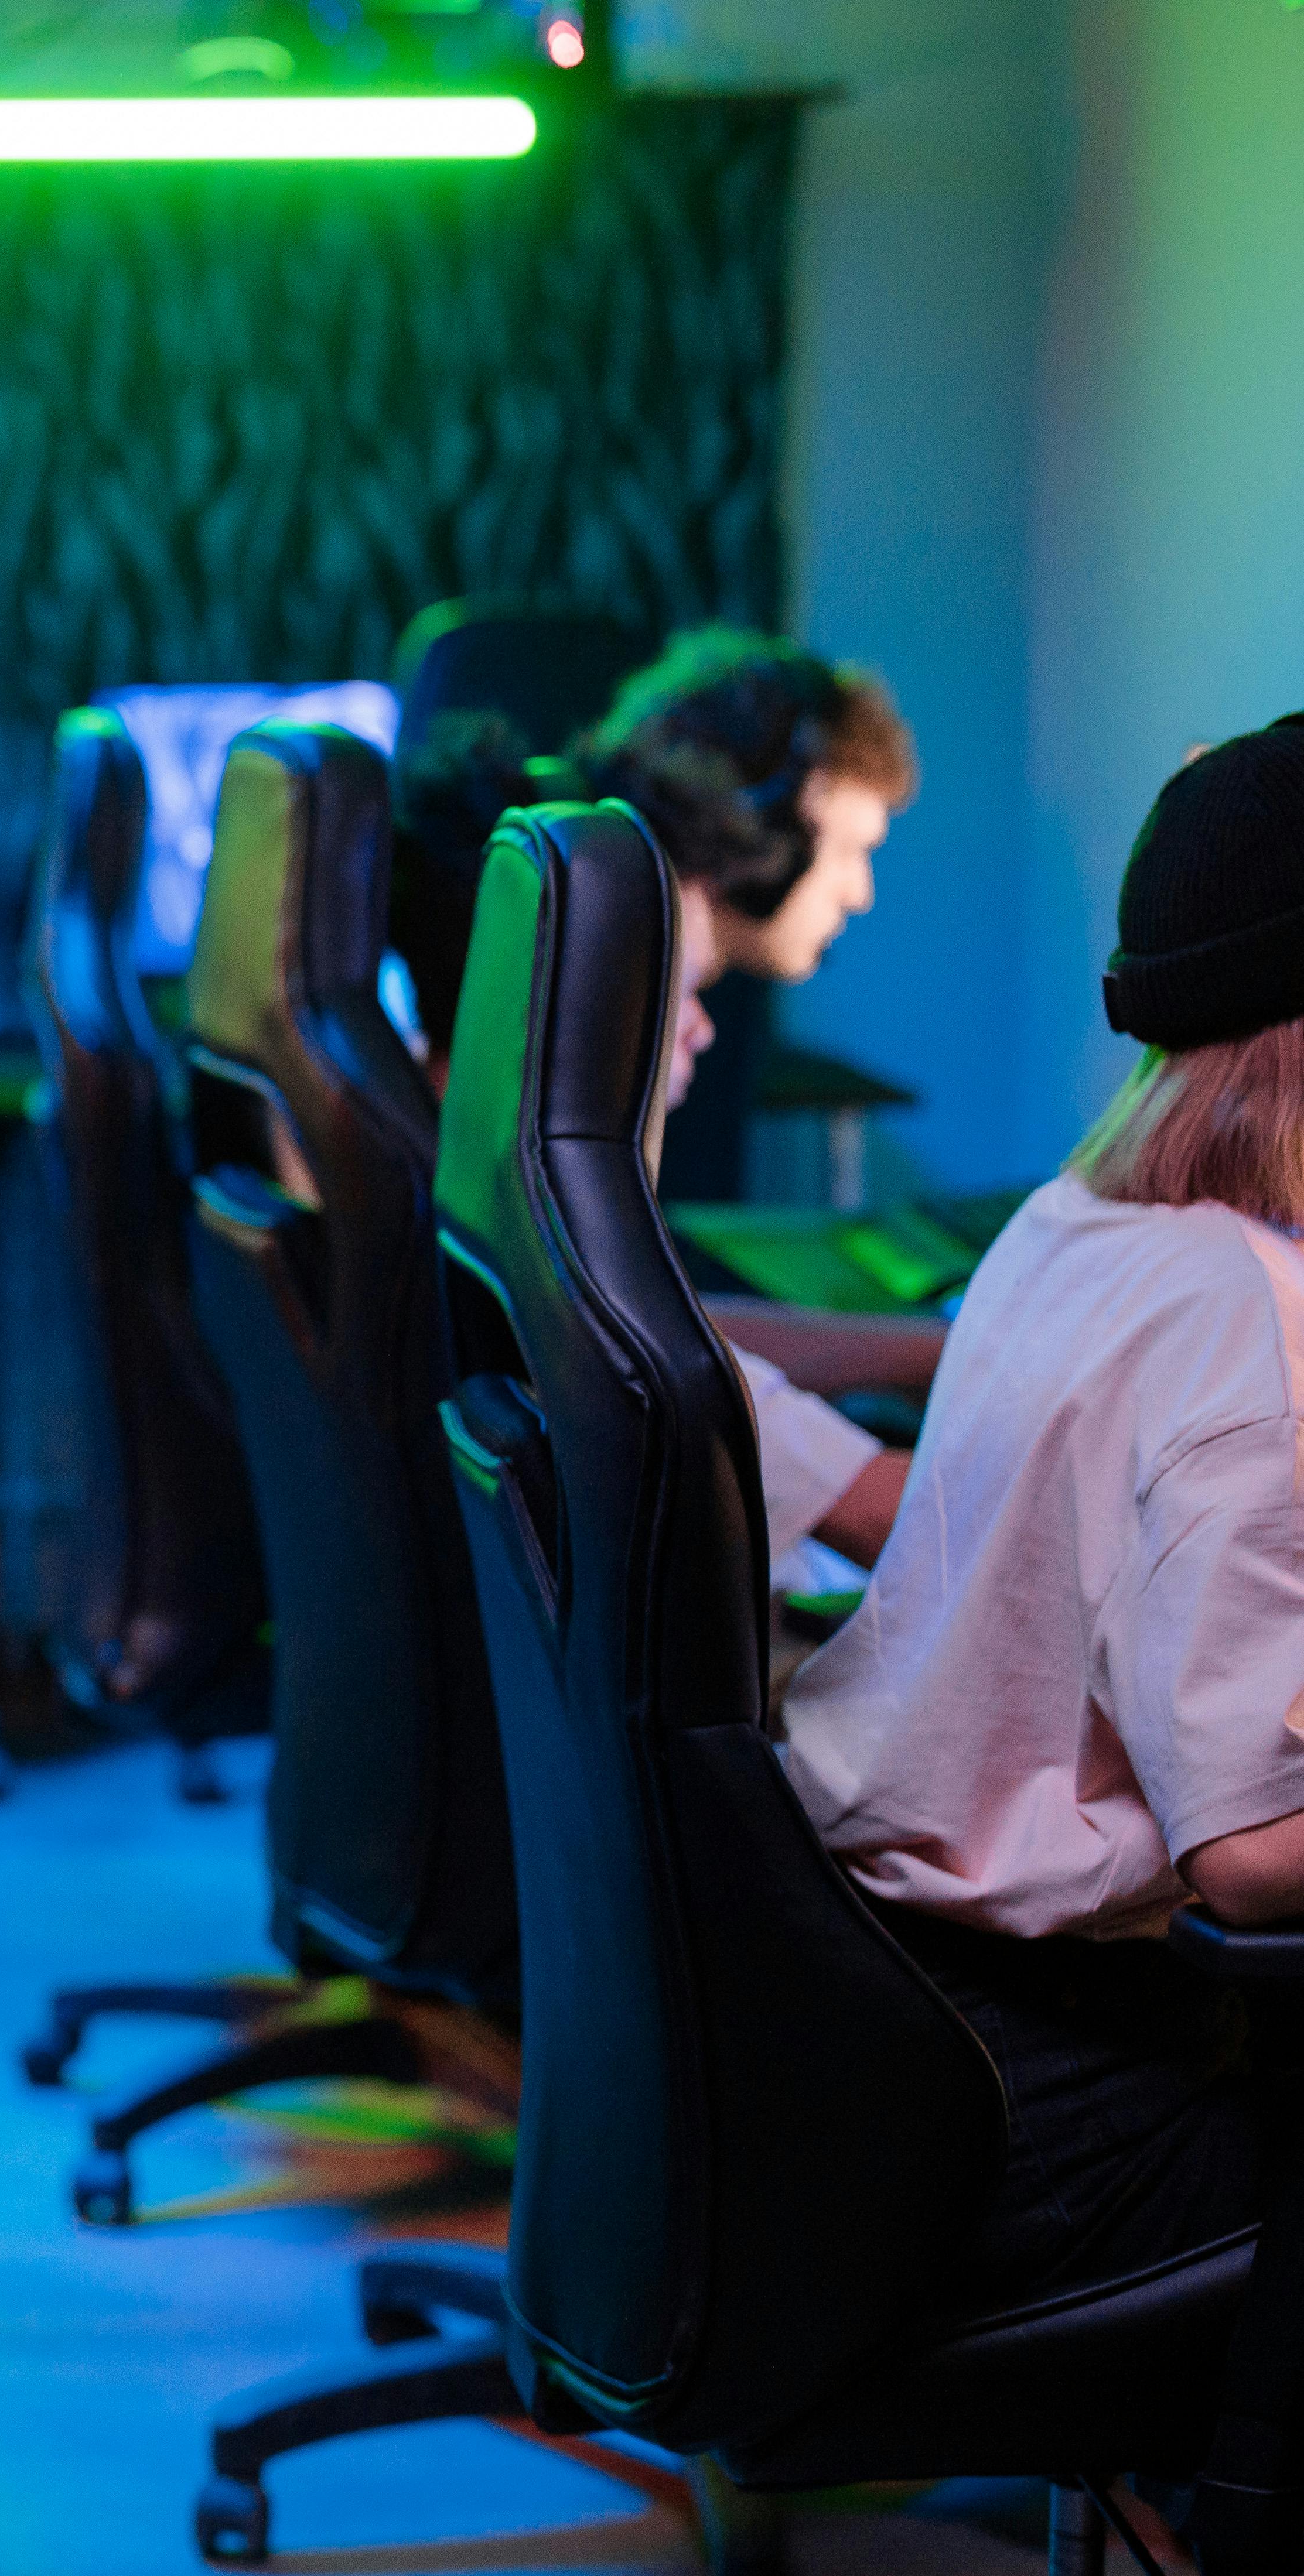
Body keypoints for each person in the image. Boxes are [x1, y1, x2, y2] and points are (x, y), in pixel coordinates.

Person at [783, 718, 1304, 2568]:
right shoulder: (1248, 1331)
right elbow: (1249, 1854)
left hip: (887, 2001)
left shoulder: (1079, 1219)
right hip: (1033, 2098)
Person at [396, 631, 929, 1576]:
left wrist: (919, 1350)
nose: (859, 891)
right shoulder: (595, 1003)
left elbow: (640, 1326)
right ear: (776, 816)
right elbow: (620, 1347)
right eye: (852, 848)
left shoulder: (553, 931)